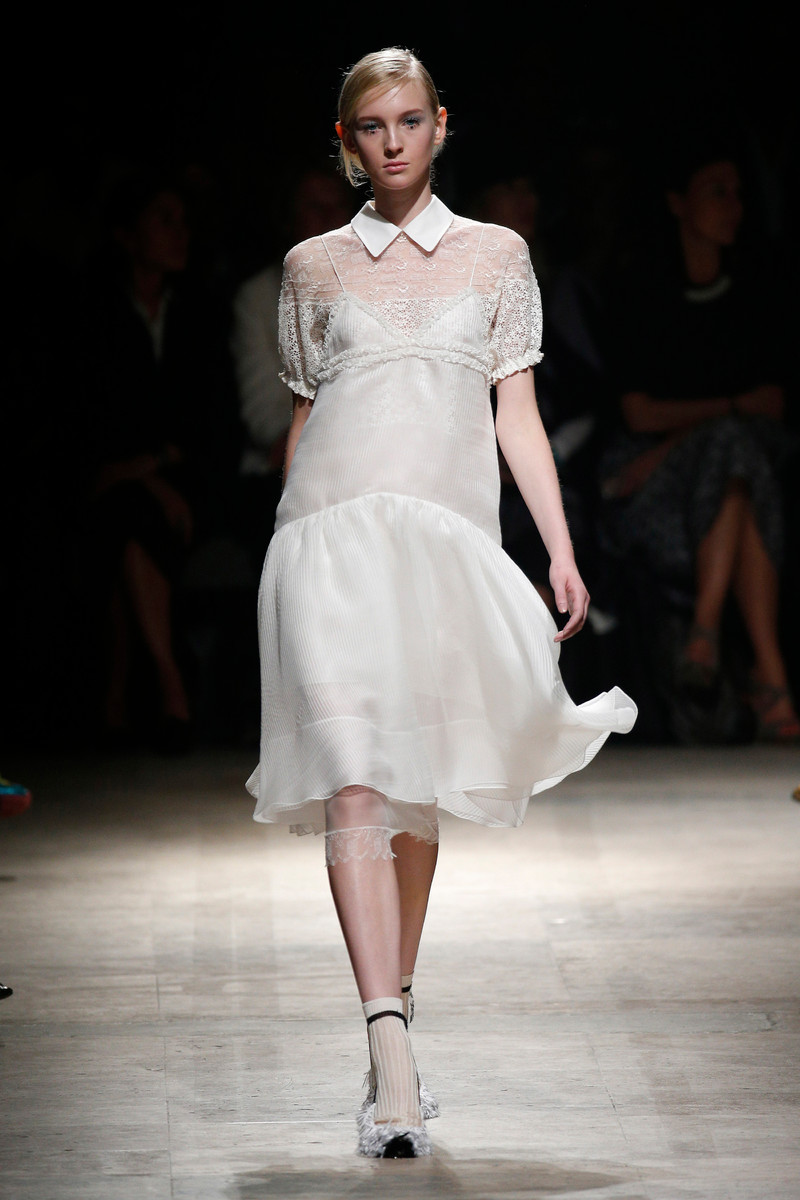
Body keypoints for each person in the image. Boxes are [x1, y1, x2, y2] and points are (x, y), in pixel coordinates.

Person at [246, 48, 637, 1159]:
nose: (393, 142)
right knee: (354, 783)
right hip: (329, 544)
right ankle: (391, 1055)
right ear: (346, 142)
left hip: (442, 548)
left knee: (412, 796)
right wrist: (284, 549)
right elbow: (306, 418)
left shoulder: (496, 255)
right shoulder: (312, 266)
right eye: (371, 126)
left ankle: (396, 1012)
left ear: (440, 126)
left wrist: (558, 548)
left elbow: (516, 412)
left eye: (410, 121)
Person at [599, 138, 799, 741]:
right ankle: (768, 674)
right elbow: (638, 414)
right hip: (653, 493)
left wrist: (692, 429)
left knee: (738, 465)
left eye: (738, 193)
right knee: (734, 459)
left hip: (738, 475)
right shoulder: (642, 293)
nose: (732, 206)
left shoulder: (757, 292)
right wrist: (717, 420)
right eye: (717, 192)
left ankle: (706, 636)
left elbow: (772, 406)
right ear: (678, 203)